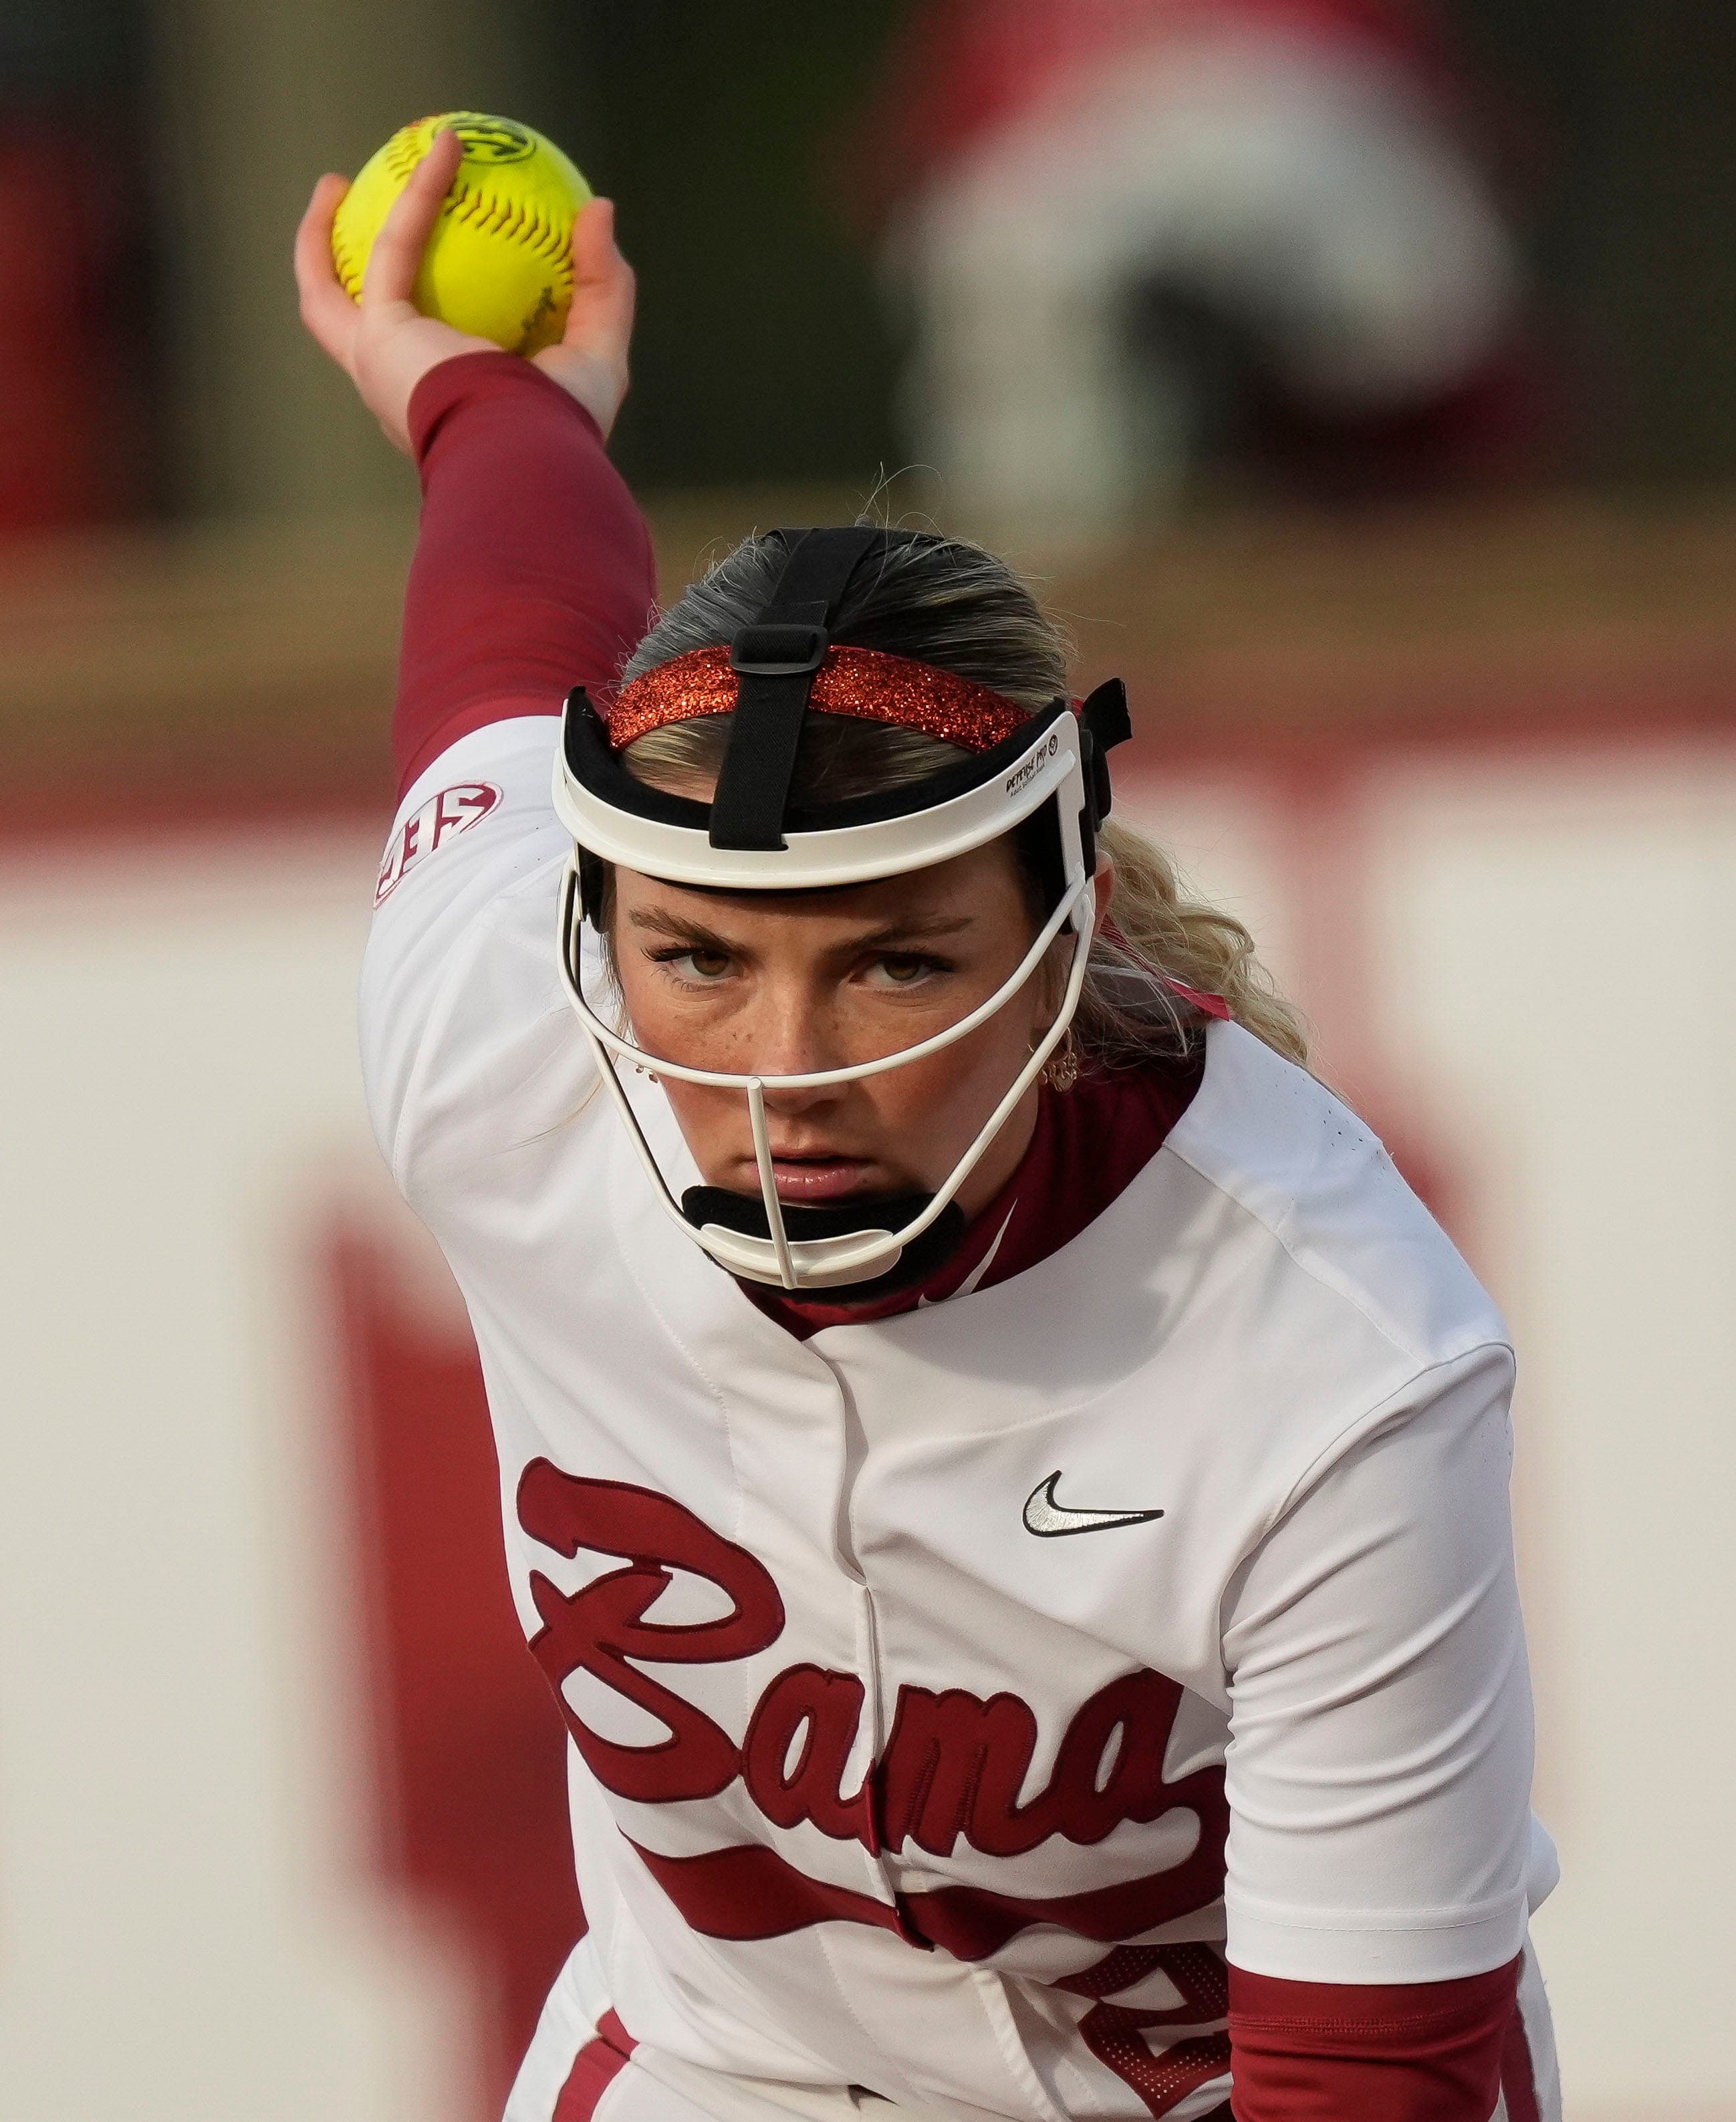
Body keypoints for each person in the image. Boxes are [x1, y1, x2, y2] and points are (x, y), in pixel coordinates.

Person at [296, 130, 1560, 2122]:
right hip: (729, 2071)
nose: (777, 1065)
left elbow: (1370, 2070)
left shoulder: (1336, 1361)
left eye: (891, 964)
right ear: (599, 927)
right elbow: (504, 626)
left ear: (1059, 941)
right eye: (700, 959)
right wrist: (491, 392)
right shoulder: (499, 1044)